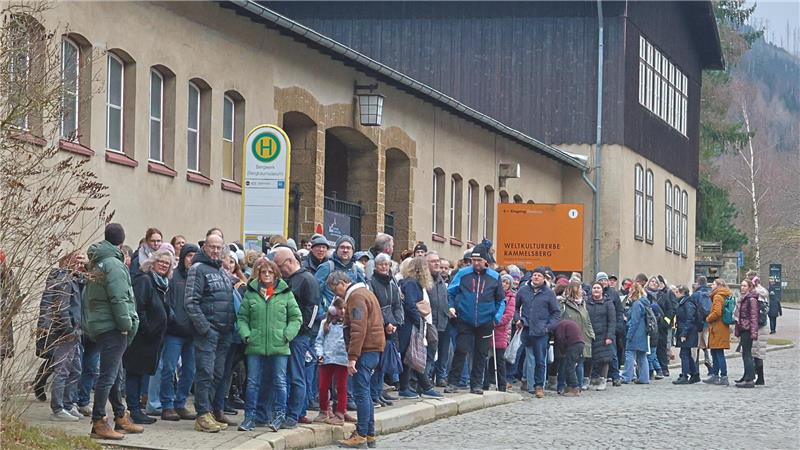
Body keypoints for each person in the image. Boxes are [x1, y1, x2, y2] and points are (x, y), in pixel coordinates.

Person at [83, 223, 142, 440]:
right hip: (113, 326)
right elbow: (119, 298)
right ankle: (99, 422)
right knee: (108, 376)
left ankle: (120, 416)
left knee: (115, 374)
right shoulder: (114, 265)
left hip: (102, 324)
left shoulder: (97, 262)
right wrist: (126, 324)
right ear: (122, 240)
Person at [237, 258, 302, 432]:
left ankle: (279, 416)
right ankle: (249, 418)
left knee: (280, 382)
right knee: (252, 383)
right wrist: (246, 335)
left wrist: (287, 334)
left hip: (279, 346)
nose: (266, 275)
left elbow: (296, 318)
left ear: (276, 274)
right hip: (255, 346)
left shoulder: (285, 293)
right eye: (263, 272)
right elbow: (242, 318)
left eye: (270, 272)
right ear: (257, 274)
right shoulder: (251, 293)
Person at [326, 271, 386, 449]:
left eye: (335, 288)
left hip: (365, 350)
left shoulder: (356, 297)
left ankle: (361, 434)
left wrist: (352, 358)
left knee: (361, 393)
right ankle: (369, 434)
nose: (335, 293)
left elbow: (358, 329)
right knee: (365, 393)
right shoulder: (365, 293)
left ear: (343, 283)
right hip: (372, 348)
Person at [184, 233, 236, 433]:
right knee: (205, 373)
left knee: (217, 373)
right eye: (212, 247)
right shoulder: (198, 269)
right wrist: (205, 328)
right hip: (208, 332)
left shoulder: (222, 271)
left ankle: (210, 412)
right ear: (204, 247)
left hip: (224, 333)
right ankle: (202, 414)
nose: (215, 250)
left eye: (219, 247)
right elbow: (190, 302)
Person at [445, 245, 506, 395]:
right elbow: (450, 293)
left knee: (481, 354)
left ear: (485, 260)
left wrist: (496, 318)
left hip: (486, 321)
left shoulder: (494, 276)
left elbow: (501, 300)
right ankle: (453, 382)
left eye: (479, 260)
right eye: (474, 260)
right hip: (465, 318)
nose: (476, 263)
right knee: (461, 350)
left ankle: (477, 384)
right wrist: (451, 307)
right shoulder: (463, 274)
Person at [124, 249, 173, 425]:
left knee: (141, 373)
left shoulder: (162, 284)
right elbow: (140, 307)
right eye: (161, 262)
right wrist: (148, 329)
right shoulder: (145, 280)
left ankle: (136, 409)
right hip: (141, 337)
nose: (164, 265)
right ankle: (133, 410)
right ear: (153, 262)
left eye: (167, 264)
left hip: (153, 339)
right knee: (134, 373)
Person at [273, 246, 321, 427]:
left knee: (296, 375)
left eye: (279, 266)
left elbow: (313, 310)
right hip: (290, 335)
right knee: (292, 374)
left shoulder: (306, 280)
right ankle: (296, 412)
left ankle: (294, 415)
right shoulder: (293, 280)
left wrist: (303, 331)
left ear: (290, 262)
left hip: (299, 337)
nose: (278, 271)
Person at [38, 252, 86, 421]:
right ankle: (58, 409)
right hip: (65, 333)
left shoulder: (76, 280)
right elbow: (61, 308)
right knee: (63, 370)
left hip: (75, 331)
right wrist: (68, 329)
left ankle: (68, 404)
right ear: (68, 262)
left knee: (76, 369)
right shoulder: (63, 280)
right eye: (77, 260)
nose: (81, 264)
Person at [160, 243, 199, 421]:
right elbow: (167, 303)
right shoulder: (173, 277)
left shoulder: (198, 277)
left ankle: (180, 403)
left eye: (194, 255)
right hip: (174, 332)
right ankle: (167, 405)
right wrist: (174, 321)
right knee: (168, 369)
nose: (191, 259)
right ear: (182, 257)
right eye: (188, 255)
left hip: (192, 333)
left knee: (190, 370)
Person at [397, 257, 443, 399]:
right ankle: (418, 386)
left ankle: (407, 387)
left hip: (411, 324)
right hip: (409, 325)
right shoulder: (411, 283)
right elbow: (410, 304)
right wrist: (418, 321)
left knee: (409, 356)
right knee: (411, 355)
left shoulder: (411, 283)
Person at [515, 266, 560, 398]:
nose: (536, 277)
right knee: (527, 358)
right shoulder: (523, 291)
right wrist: (518, 319)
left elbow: (556, 313)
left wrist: (548, 327)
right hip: (527, 329)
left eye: (539, 275)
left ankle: (539, 386)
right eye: (534, 275)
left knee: (540, 360)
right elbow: (516, 307)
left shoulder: (549, 293)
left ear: (543, 278)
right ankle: (529, 384)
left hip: (541, 332)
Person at [367, 253, 404, 405]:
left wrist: (394, 323)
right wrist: (386, 324)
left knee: (384, 362)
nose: (384, 267)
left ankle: (379, 391)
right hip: (377, 327)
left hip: (391, 328)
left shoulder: (392, 283)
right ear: (375, 266)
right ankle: (373, 393)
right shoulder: (371, 282)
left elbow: (397, 305)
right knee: (376, 364)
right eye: (381, 264)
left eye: (386, 264)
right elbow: (374, 306)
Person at [312, 297, 348, 426]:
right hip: (327, 358)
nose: (342, 311)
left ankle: (340, 412)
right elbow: (319, 341)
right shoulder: (325, 324)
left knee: (341, 387)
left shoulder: (347, 324)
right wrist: (320, 354)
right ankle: (323, 410)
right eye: (339, 308)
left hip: (342, 359)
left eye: (344, 308)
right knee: (322, 386)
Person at [558, 281, 595, 392]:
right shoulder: (563, 304)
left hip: (583, 338)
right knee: (565, 363)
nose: (582, 291)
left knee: (580, 363)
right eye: (579, 289)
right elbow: (559, 320)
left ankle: (577, 386)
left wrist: (591, 334)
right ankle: (562, 385)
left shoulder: (583, 305)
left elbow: (588, 321)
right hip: (569, 339)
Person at [483, 274, 516, 392]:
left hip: (500, 331)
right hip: (488, 329)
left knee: (499, 359)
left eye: (507, 283)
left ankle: (501, 384)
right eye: (503, 282)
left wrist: (496, 322)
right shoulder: (492, 295)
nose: (504, 285)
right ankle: (485, 382)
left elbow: (508, 315)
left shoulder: (511, 298)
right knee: (485, 357)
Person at [425, 251, 450, 387]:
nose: (436, 263)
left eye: (437, 261)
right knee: (430, 352)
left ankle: (441, 377)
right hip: (430, 322)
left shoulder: (441, 280)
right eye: (433, 261)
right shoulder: (424, 280)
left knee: (443, 352)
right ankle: (428, 377)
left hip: (444, 320)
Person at [596, 272, 624, 387]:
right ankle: (599, 376)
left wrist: (618, 326)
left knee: (612, 353)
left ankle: (615, 376)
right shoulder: (594, 292)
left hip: (610, 328)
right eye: (601, 280)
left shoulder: (613, 294)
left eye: (605, 280)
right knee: (597, 354)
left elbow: (619, 311)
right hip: (598, 328)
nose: (603, 282)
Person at [586, 282, 615, 391]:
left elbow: (612, 321)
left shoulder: (608, 303)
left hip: (603, 335)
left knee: (604, 359)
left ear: (602, 290)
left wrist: (610, 336)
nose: (596, 290)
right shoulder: (587, 303)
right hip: (590, 334)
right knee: (588, 358)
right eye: (594, 288)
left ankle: (603, 380)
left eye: (598, 288)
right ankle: (587, 379)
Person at [704, 278, 732, 386]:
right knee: (715, 352)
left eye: (713, 284)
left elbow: (717, 312)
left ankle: (723, 376)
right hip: (721, 328)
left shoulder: (717, 296)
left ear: (718, 285)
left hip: (717, 328)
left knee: (718, 353)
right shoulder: (723, 295)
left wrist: (708, 318)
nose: (711, 286)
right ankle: (716, 375)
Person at [621, 283, 650, 385]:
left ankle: (626, 377)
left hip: (636, 333)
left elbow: (634, 321)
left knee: (629, 354)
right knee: (642, 356)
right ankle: (644, 378)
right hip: (643, 333)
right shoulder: (644, 302)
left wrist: (629, 335)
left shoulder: (637, 304)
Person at [672, 285, 700, 384]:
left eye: (677, 292)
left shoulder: (688, 303)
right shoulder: (684, 302)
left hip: (688, 332)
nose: (675, 294)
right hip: (686, 331)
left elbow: (690, 319)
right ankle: (694, 374)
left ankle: (685, 375)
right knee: (686, 353)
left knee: (684, 354)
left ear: (682, 292)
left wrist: (684, 333)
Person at [734, 279, 759, 388]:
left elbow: (754, 316)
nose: (742, 288)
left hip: (748, 328)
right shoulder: (743, 299)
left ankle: (750, 379)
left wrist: (753, 332)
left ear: (749, 287)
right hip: (743, 327)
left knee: (747, 354)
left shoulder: (751, 299)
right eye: (741, 286)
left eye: (744, 286)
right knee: (745, 354)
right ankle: (746, 375)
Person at [552, 319, 584, 396]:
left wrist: (562, 351)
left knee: (569, 367)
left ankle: (574, 388)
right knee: (571, 366)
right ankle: (571, 387)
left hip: (573, 345)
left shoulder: (559, 327)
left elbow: (560, 338)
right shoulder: (565, 323)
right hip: (580, 343)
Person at [690, 277, 713, 374]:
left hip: (697, 324)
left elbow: (692, 310)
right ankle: (710, 365)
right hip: (708, 323)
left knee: (695, 346)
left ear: (698, 283)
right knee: (706, 345)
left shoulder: (695, 295)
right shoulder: (711, 294)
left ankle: (695, 370)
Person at [750, 276, 769, 385]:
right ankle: (759, 377)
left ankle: (757, 377)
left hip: (757, 327)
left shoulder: (756, 296)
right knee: (758, 353)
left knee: (754, 353)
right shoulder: (764, 294)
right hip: (763, 326)